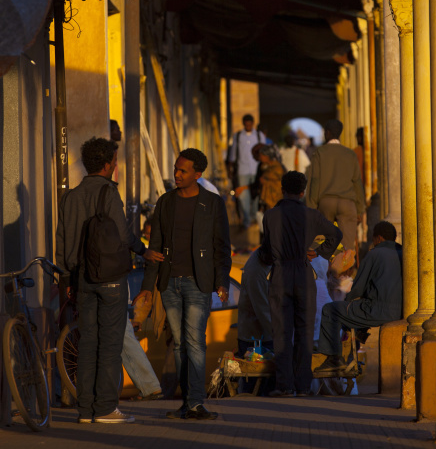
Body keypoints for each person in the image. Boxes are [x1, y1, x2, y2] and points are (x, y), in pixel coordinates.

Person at [55, 136, 160, 424]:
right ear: (106, 165)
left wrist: (66, 278)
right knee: (111, 343)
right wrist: (143, 250)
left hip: (82, 279)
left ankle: (85, 410)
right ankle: (105, 409)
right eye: (114, 161)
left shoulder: (70, 197)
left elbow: (62, 243)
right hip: (111, 279)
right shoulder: (109, 193)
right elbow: (124, 235)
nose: (116, 165)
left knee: (87, 342)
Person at [134, 148, 231, 421]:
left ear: (197, 175)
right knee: (179, 345)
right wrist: (147, 285)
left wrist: (221, 282)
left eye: (183, 171)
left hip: (199, 284)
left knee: (195, 343)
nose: (176, 174)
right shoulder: (165, 202)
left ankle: (196, 403)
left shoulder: (213, 203)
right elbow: (154, 246)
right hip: (169, 284)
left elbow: (222, 247)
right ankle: (187, 403)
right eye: (175, 168)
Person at [260, 171, 342, 397]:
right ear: (303, 192)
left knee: (282, 332)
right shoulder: (312, 215)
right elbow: (336, 233)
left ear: (282, 190)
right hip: (304, 274)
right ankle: (303, 386)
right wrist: (319, 252)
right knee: (305, 331)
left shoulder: (270, 216)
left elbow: (266, 251)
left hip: (279, 275)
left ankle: (284, 385)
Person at [314, 221, 403, 373]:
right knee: (352, 314)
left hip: (378, 310)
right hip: (401, 311)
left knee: (330, 310)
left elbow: (358, 289)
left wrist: (347, 302)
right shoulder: (403, 253)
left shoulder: (374, 254)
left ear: (379, 238)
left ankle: (334, 358)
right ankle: (351, 353)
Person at [306, 119, 366, 251]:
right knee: (347, 246)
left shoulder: (319, 153)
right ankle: (343, 270)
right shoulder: (351, 154)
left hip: (325, 202)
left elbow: (314, 180)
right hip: (347, 203)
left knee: (324, 243)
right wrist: (359, 208)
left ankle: (327, 269)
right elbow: (357, 182)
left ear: (327, 133)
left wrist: (312, 206)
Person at [227, 114, 265, 228]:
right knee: (243, 195)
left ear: (253, 124)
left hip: (256, 170)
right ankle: (246, 219)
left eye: (250, 124)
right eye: (246, 124)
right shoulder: (238, 136)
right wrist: (230, 168)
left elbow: (264, 151)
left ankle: (253, 217)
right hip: (242, 170)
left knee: (256, 194)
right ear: (243, 124)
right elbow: (233, 153)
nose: (248, 126)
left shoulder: (259, 135)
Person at [237, 248, 273, 358]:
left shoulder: (266, 258)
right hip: (256, 339)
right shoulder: (256, 269)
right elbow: (262, 309)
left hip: (264, 335)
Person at [257, 144, 285, 214]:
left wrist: (265, 179)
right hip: (268, 199)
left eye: (261, 156)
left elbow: (276, 178)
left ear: (267, 156)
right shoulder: (264, 166)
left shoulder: (277, 167)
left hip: (275, 197)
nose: (260, 158)